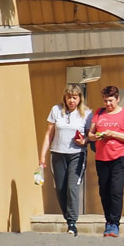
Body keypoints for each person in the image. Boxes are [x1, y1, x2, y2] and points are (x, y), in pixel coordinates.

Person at [38, 85, 91, 236]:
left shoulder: (86, 113)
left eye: (75, 97)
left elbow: (89, 136)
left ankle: (72, 223)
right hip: (58, 153)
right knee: (60, 188)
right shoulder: (56, 110)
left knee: (72, 187)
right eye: (69, 97)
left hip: (77, 154)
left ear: (79, 98)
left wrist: (84, 141)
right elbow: (49, 133)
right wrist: (42, 156)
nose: (71, 100)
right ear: (65, 98)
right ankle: (68, 219)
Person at [88, 85, 124, 237]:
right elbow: (91, 134)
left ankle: (114, 223)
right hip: (102, 158)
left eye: (110, 101)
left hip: (120, 158)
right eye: (105, 101)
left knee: (116, 191)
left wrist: (113, 134)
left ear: (117, 99)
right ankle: (108, 221)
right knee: (104, 191)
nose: (108, 104)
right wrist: (96, 137)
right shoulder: (99, 113)